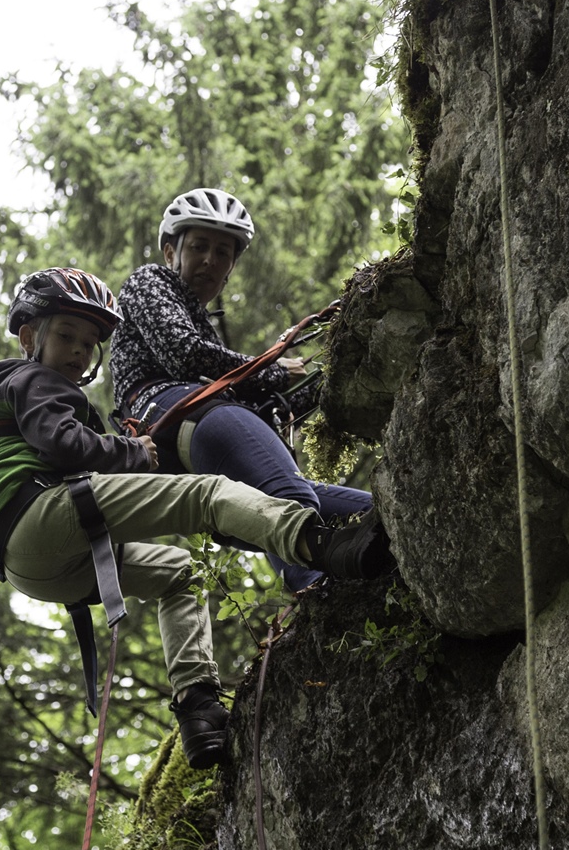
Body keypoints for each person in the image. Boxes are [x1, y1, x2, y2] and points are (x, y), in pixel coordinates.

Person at [0, 268, 389, 769]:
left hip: (30, 567)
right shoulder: (33, 379)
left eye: (89, 343)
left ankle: (198, 708)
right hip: (45, 511)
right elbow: (62, 444)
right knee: (208, 494)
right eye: (66, 336)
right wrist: (133, 451)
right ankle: (323, 545)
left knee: (180, 573)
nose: (78, 351)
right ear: (30, 338)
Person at [109, 187, 379, 592]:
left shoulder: (204, 330)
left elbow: (271, 404)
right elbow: (184, 353)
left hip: (193, 445)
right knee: (291, 499)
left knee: (374, 514)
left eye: (223, 253)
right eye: (199, 246)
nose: (210, 260)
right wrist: (272, 370)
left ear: (231, 267)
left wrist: (331, 379)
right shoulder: (150, 281)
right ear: (170, 252)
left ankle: (353, 585)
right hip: (174, 412)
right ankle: (315, 594)